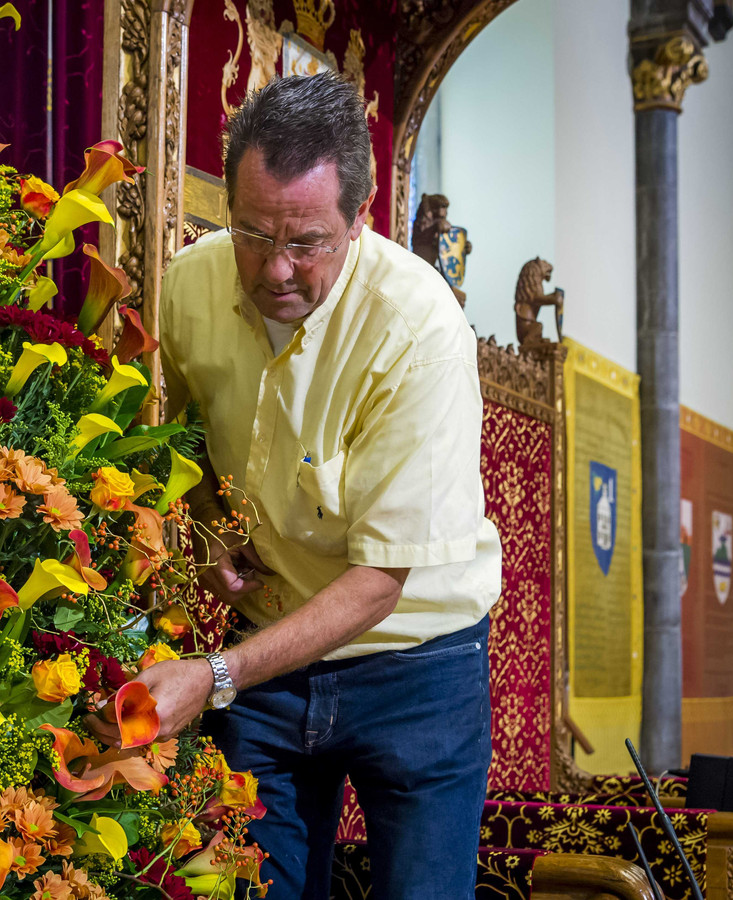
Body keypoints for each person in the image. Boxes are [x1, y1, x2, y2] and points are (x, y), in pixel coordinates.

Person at [88, 73, 501, 897]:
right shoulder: (195, 284)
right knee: (244, 886)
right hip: (270, 653)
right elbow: (180, 442)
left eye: (307, 241)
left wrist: (214, 675)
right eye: (251, 232)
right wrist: (208, 524)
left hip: (415, 660)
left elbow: (381, 581)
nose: (275, 269)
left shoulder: (421, 329)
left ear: (362, 214)